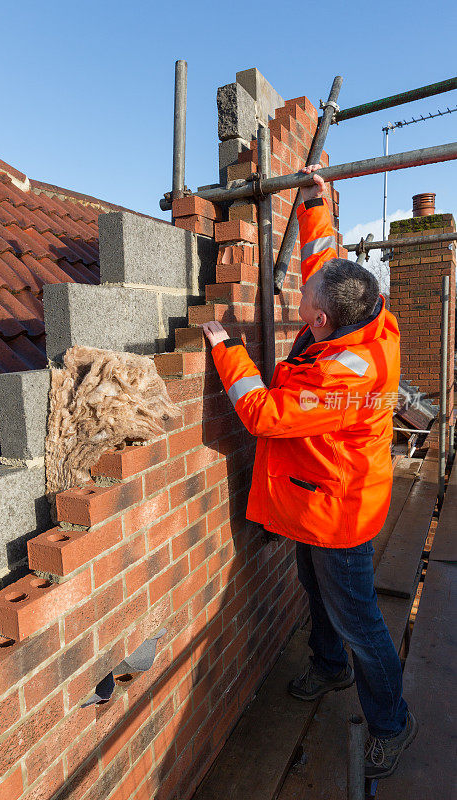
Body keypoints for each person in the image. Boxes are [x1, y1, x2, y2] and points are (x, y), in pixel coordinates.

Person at [201, 164, 417, 780]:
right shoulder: (362, 310)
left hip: (339, 514)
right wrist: (315, 203)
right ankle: (329, 664)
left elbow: (264, 413)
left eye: (304, 302)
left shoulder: (342, 377)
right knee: (313, 586)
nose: (299, 298)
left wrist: (225, 347)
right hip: (318, 498)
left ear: (322, 322)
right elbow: (329, 264)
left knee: (362, 622)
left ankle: (392, 722)